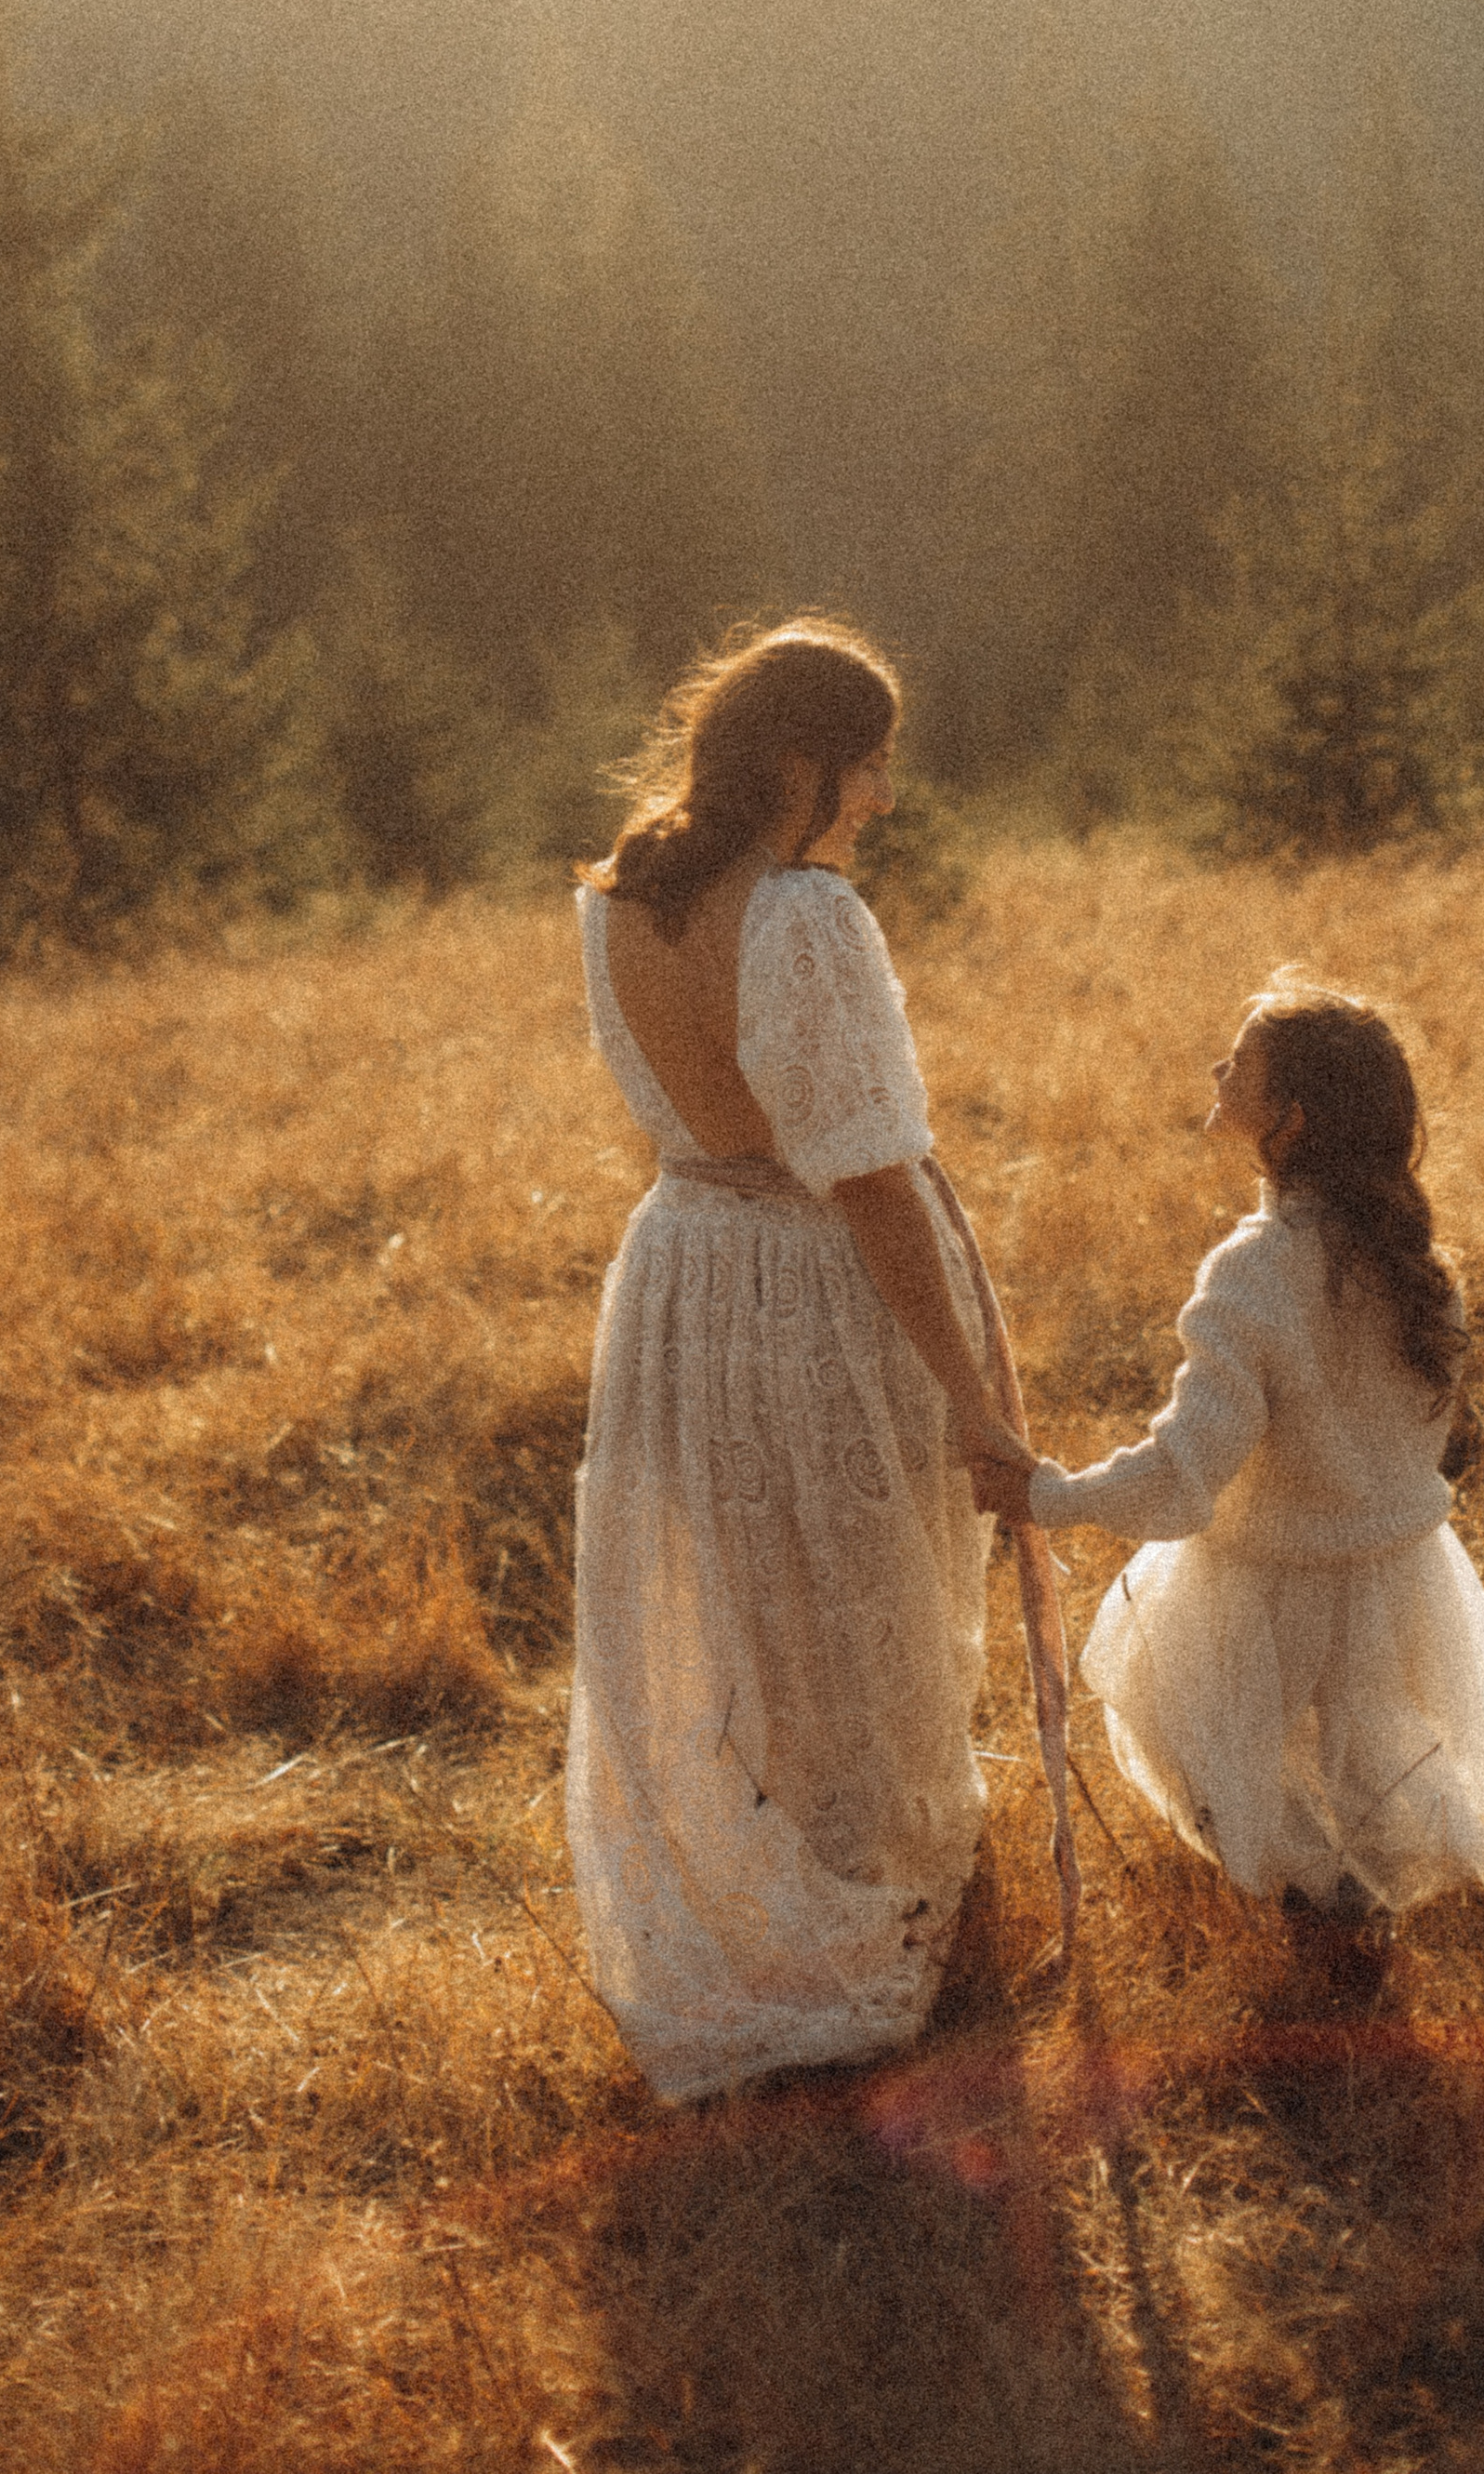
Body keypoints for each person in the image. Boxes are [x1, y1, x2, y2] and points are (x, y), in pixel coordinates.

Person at [566, 618, 1038, 2101]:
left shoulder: (622, 897)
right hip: (808, 1281)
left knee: (752, 1591)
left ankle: (775, 1887)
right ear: (799, 765)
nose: (882, 801)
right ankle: (861, 1907)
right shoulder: (805, 918)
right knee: (858, 1589)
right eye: (868, 769)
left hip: (683, 1262)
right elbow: (874, 1181)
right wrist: (976, 1406)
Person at [979, 975, 1484, 1916]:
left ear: (1286, 1121)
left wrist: (1050, 1496)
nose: (1218, 1066)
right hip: (1396, 1572)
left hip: (1268, 1573)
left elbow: (1187, 1473)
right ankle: (1371, 1902)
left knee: (1200, 1721)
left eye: (1240, 1061)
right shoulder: (1420, 1269)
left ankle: (1319, 1903)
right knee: (1377, 1746)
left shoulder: (1254, 1272)